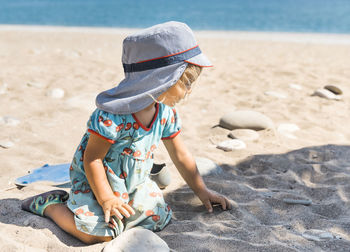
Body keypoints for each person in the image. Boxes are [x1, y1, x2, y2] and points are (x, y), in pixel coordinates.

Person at [21, 21, 232, 244]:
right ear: (160, 78)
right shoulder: (112, 117)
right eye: (186, 82)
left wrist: (202, 191)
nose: (189, 91)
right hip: (98, 183)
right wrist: (106, 199)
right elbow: (92, 159)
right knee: (94, 235)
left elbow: (181, 156)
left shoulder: (165, 113)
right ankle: (51, 206)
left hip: (133, 184)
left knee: (159, 219)